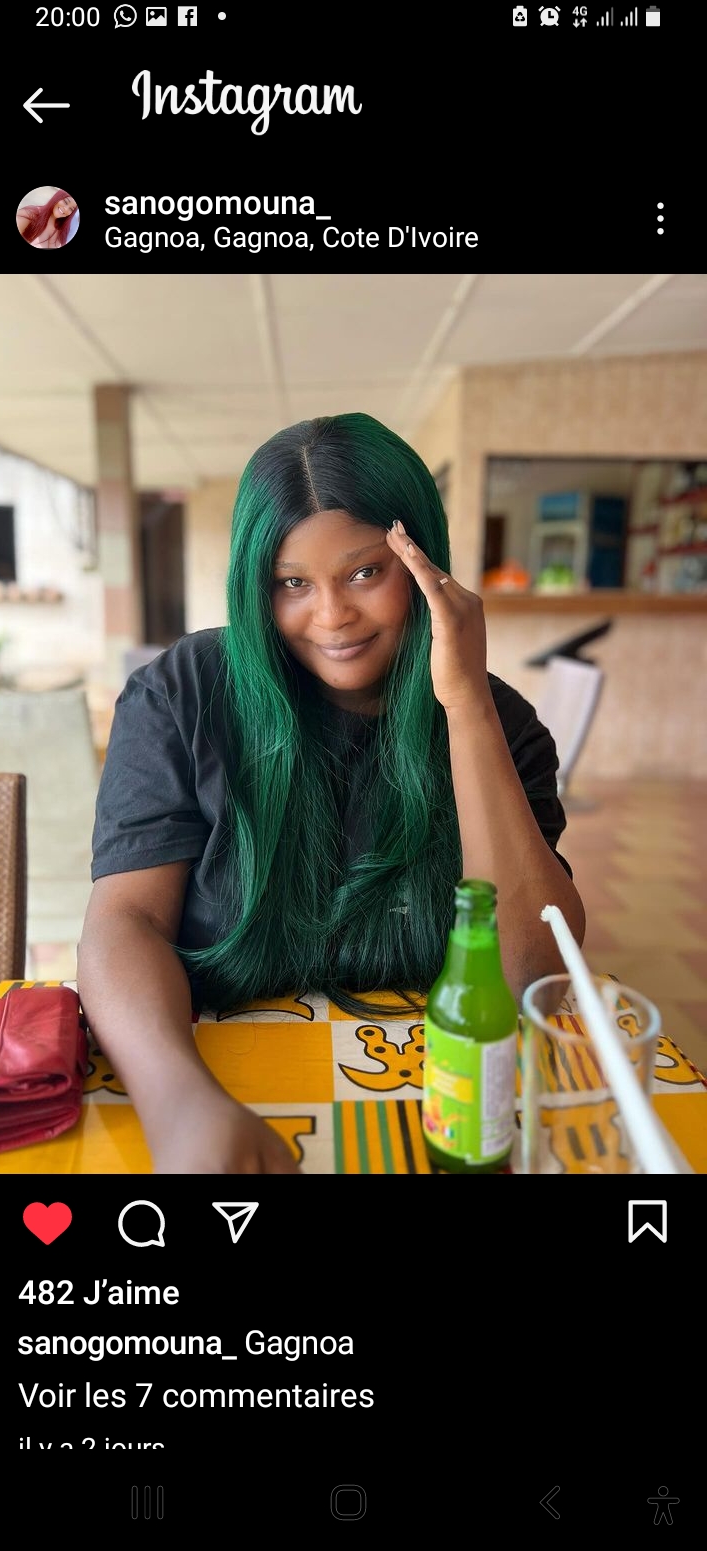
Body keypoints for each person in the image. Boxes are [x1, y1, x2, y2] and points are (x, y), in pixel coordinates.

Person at [77, 413, 585, 1174]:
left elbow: (533, 974)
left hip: (443, 1115)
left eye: (364, 573)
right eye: (291, 583)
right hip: (206, 1083)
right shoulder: (181, 697)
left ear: (424, 562)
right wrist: (180, 1102)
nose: (331, 616)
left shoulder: (501, 727)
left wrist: (467, 707)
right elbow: (125, 922)